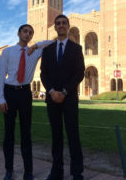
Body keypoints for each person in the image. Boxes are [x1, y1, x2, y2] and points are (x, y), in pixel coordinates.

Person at [0, 24, 52, 180]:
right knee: (9, 134)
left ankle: (28, 172)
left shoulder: (35, 52)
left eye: (30, 33)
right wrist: (1, 98)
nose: (27, 34)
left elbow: (52, 42)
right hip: (9, 92)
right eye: (25, 31)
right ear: (18, 33)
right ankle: (9, 170)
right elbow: (1, 76)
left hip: (25, 93)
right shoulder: (7, 52)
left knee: (26, 134)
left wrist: (35, 46)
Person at [40, 14, 85, 180]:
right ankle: (56, 172)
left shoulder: (76, 49)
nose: (61, 25)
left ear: (68, 26)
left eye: (63, 23)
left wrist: (64, 92)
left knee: (73, 135)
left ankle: (77, 173)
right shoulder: (48, 50)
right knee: (56, 135)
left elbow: (79, 74)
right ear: (55, 27)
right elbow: (44, 74)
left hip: (70, 99)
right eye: (58, 23)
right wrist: (51, 91)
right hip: (52, 99)